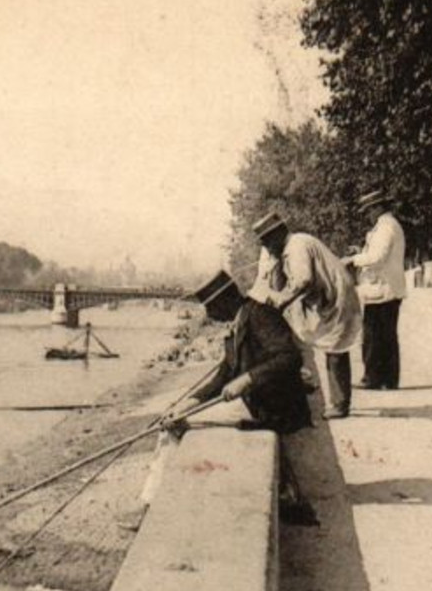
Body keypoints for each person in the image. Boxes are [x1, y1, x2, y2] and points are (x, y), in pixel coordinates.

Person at [169, 269, 316, 524]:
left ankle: (159, 504)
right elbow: (224, 374)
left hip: (273, 405)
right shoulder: (239, 321)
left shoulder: (261, 315)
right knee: (175, 418)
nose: (208, 314)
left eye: (209, 306)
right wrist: (193, 401)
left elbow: (290, 357)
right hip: (257, 401)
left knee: (175, 427)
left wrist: (248, 379)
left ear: (224, 300)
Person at [250, 211, 361, 419]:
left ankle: (340, 404)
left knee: (336, 350)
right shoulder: (291, 246)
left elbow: (303, 280)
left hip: (336, 298)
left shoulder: (296, 247)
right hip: (330, 298)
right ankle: (324, 392)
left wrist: (282, 300)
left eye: (266, 241)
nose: (266, 247)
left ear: (277, 234)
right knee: (323, 343)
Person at [341, 189, 407, 389]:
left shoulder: (385, 227)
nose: (367, 214)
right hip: (386, 288)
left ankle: (373, 377)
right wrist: (361, 252)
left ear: (378, 207)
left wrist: (353, 259)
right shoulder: (388, 225)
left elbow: (378, 257)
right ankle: (388, 379)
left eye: (369, 210)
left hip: (383, 288)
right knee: (386, 336)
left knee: (373, 335)